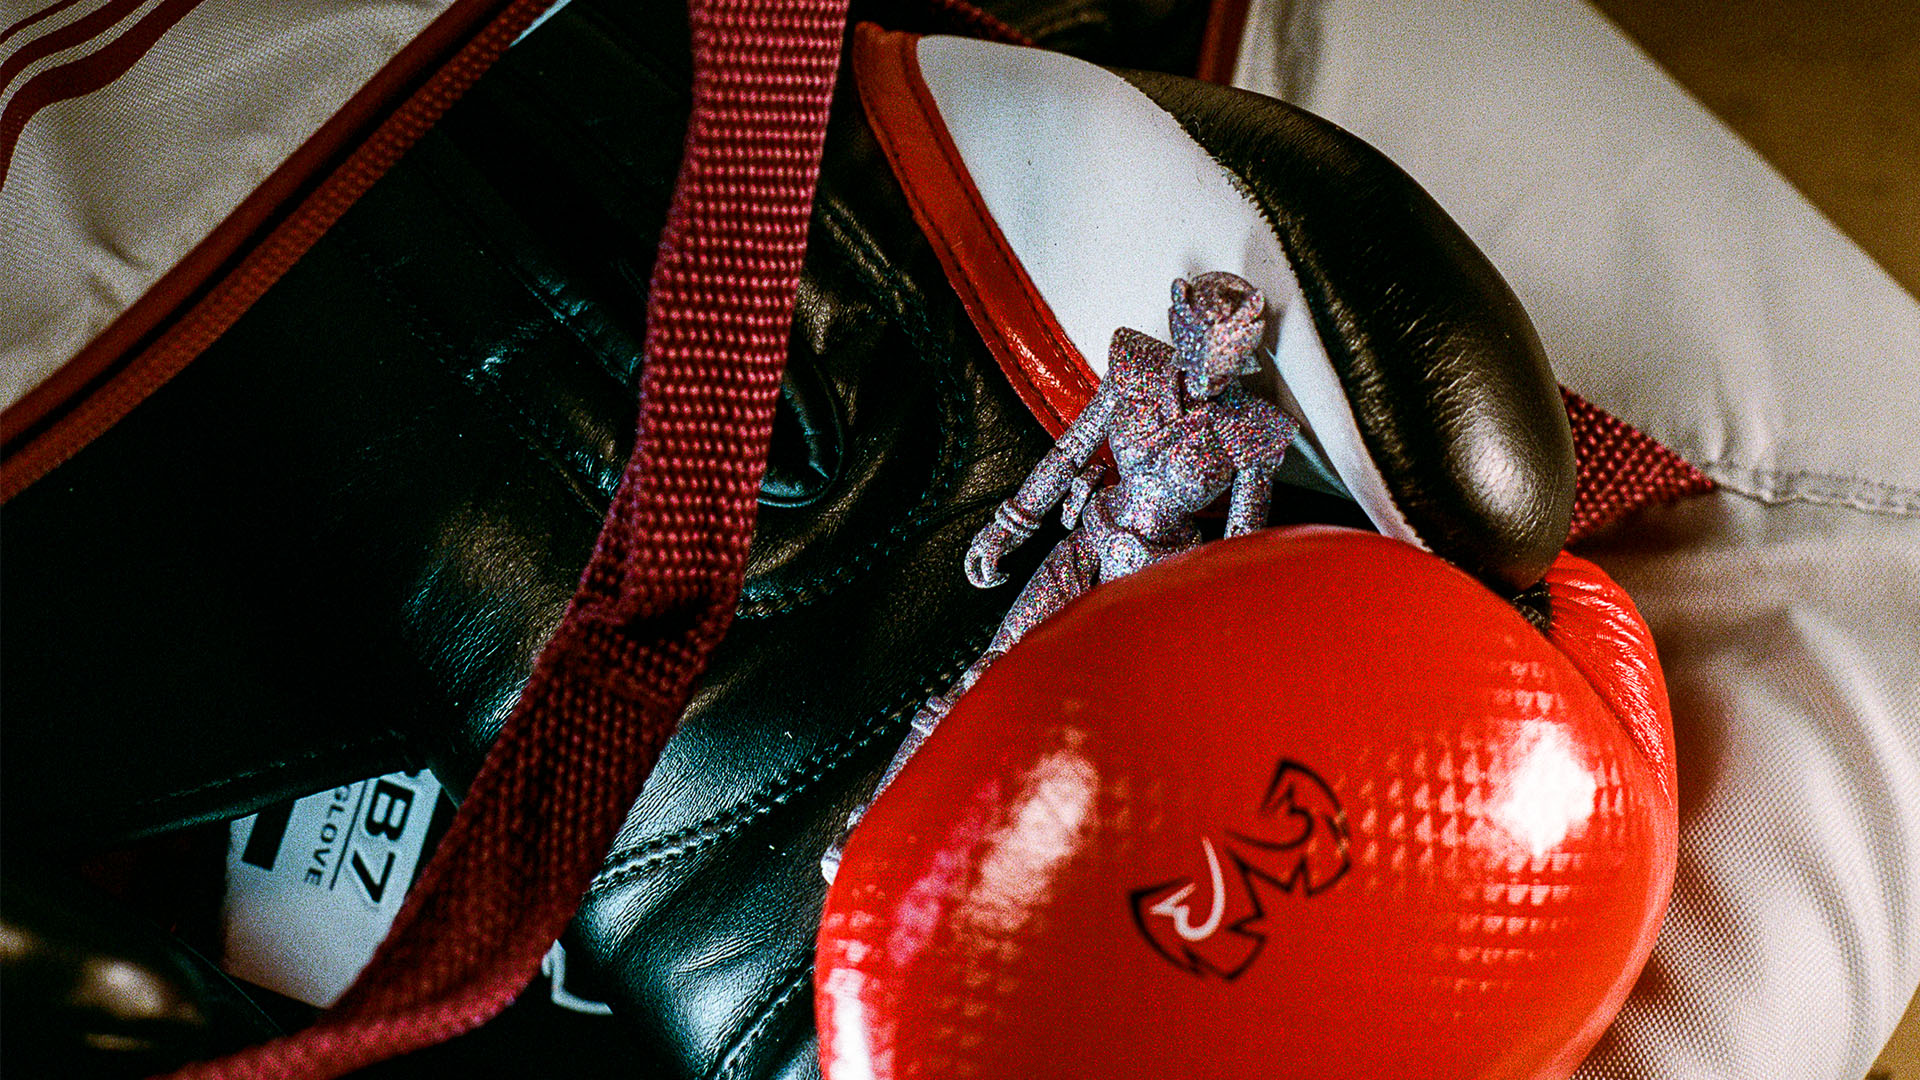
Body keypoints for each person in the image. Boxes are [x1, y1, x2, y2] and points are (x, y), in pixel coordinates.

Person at [823, 270, 1299, 880]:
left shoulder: (1249, 433)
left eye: (1233, 353)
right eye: (1208, 343)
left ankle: (972, 873)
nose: (1213, 371)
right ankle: (869, 822)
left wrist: (1213, 653)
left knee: (1070, 736)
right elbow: (1072, 450)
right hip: (1085, 547)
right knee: (986, 676)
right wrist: (1008, 526)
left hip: (1149, 599)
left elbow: (1238, 560)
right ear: (1180, 319)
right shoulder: (1136, 371)